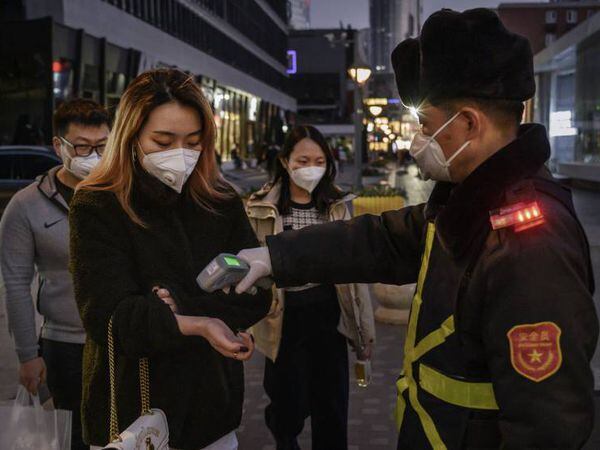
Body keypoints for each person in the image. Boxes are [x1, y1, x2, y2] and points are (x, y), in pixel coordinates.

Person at [231, 9, 598, 449]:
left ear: (468, 123)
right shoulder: (467, 206)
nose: (416, 142)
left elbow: (549, 425)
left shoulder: (527, 242)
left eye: (425, 126)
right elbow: (380, 240)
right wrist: (272, 256)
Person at [68, 69, 271, 450]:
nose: (180, 154)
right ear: (131, 138)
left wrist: (180, 306)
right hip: (132, 413)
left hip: (210, 410)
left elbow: (256, 292)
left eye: (193, 142)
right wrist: (201, 322)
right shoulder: (98, 203)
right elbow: (108, 316)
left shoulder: (220, 200)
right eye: (162, 141)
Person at [245, 125, 375, 450]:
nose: (311, 168)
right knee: (288, 405)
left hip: (329, 313)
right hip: (284, 316)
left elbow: (355, 277)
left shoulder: (336, 206)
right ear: (286, 162)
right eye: (302, 160)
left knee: (331, 406)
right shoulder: (262, 208)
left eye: (319, 160)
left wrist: (364, 334)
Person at [0, 98, 110, 450]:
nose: (92, 155)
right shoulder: (26, 206)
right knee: (75, 437)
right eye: (82, 147)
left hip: (123, 339)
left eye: (102, 146)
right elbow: (16, 283)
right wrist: (27, 356)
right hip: (64, 347)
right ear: (58, 146)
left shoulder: (122, 194)